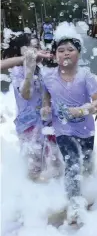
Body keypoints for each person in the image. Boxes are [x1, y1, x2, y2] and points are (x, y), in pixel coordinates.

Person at [41, 22, 97, 225]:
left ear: (78, 54)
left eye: (70, 50)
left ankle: (89, 187)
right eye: (60, 50)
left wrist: (81, 110)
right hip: (62, 129)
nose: (65, 54)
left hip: (86, 129)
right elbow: (47, 95)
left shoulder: (86, 76)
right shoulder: (49, 77)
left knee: (87, 162)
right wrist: (46, 107)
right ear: (55, 56)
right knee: (72, 163)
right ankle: (74, 203)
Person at [1, 33, 61, 181]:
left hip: (46, 121)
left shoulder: (39, 70)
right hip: (28, 125)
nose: (38, 50)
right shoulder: (18, 71)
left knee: (55, 162)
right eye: (33, 47)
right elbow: (26, 95)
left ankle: (54, 196)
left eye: (38, 46)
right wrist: (28, 71)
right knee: (34, 167)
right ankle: (34, 197)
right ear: (21, 50)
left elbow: (46, 92)